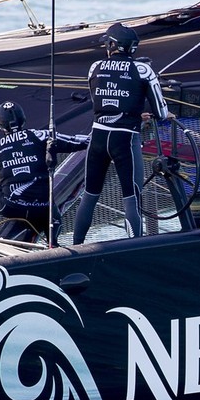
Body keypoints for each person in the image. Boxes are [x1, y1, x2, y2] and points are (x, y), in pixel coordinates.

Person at [72, 22, 171, 244]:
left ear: (113, 45)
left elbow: (100, 101)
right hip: (125, 138)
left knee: (89, 196)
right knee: (131, 198)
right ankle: (134, 248)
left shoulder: (95, 67)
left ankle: (75, 247)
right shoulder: (143, 69)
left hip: (98, 137)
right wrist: (138, 113)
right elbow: (162, 112)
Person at [0, 101, 88, 245]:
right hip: (43, 209)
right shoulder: (39, 135)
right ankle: (53, 242)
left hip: (12, 208)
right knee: (49, 206)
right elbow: (74, 141)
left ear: (0, 124)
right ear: (23, 119)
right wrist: (97, 139)